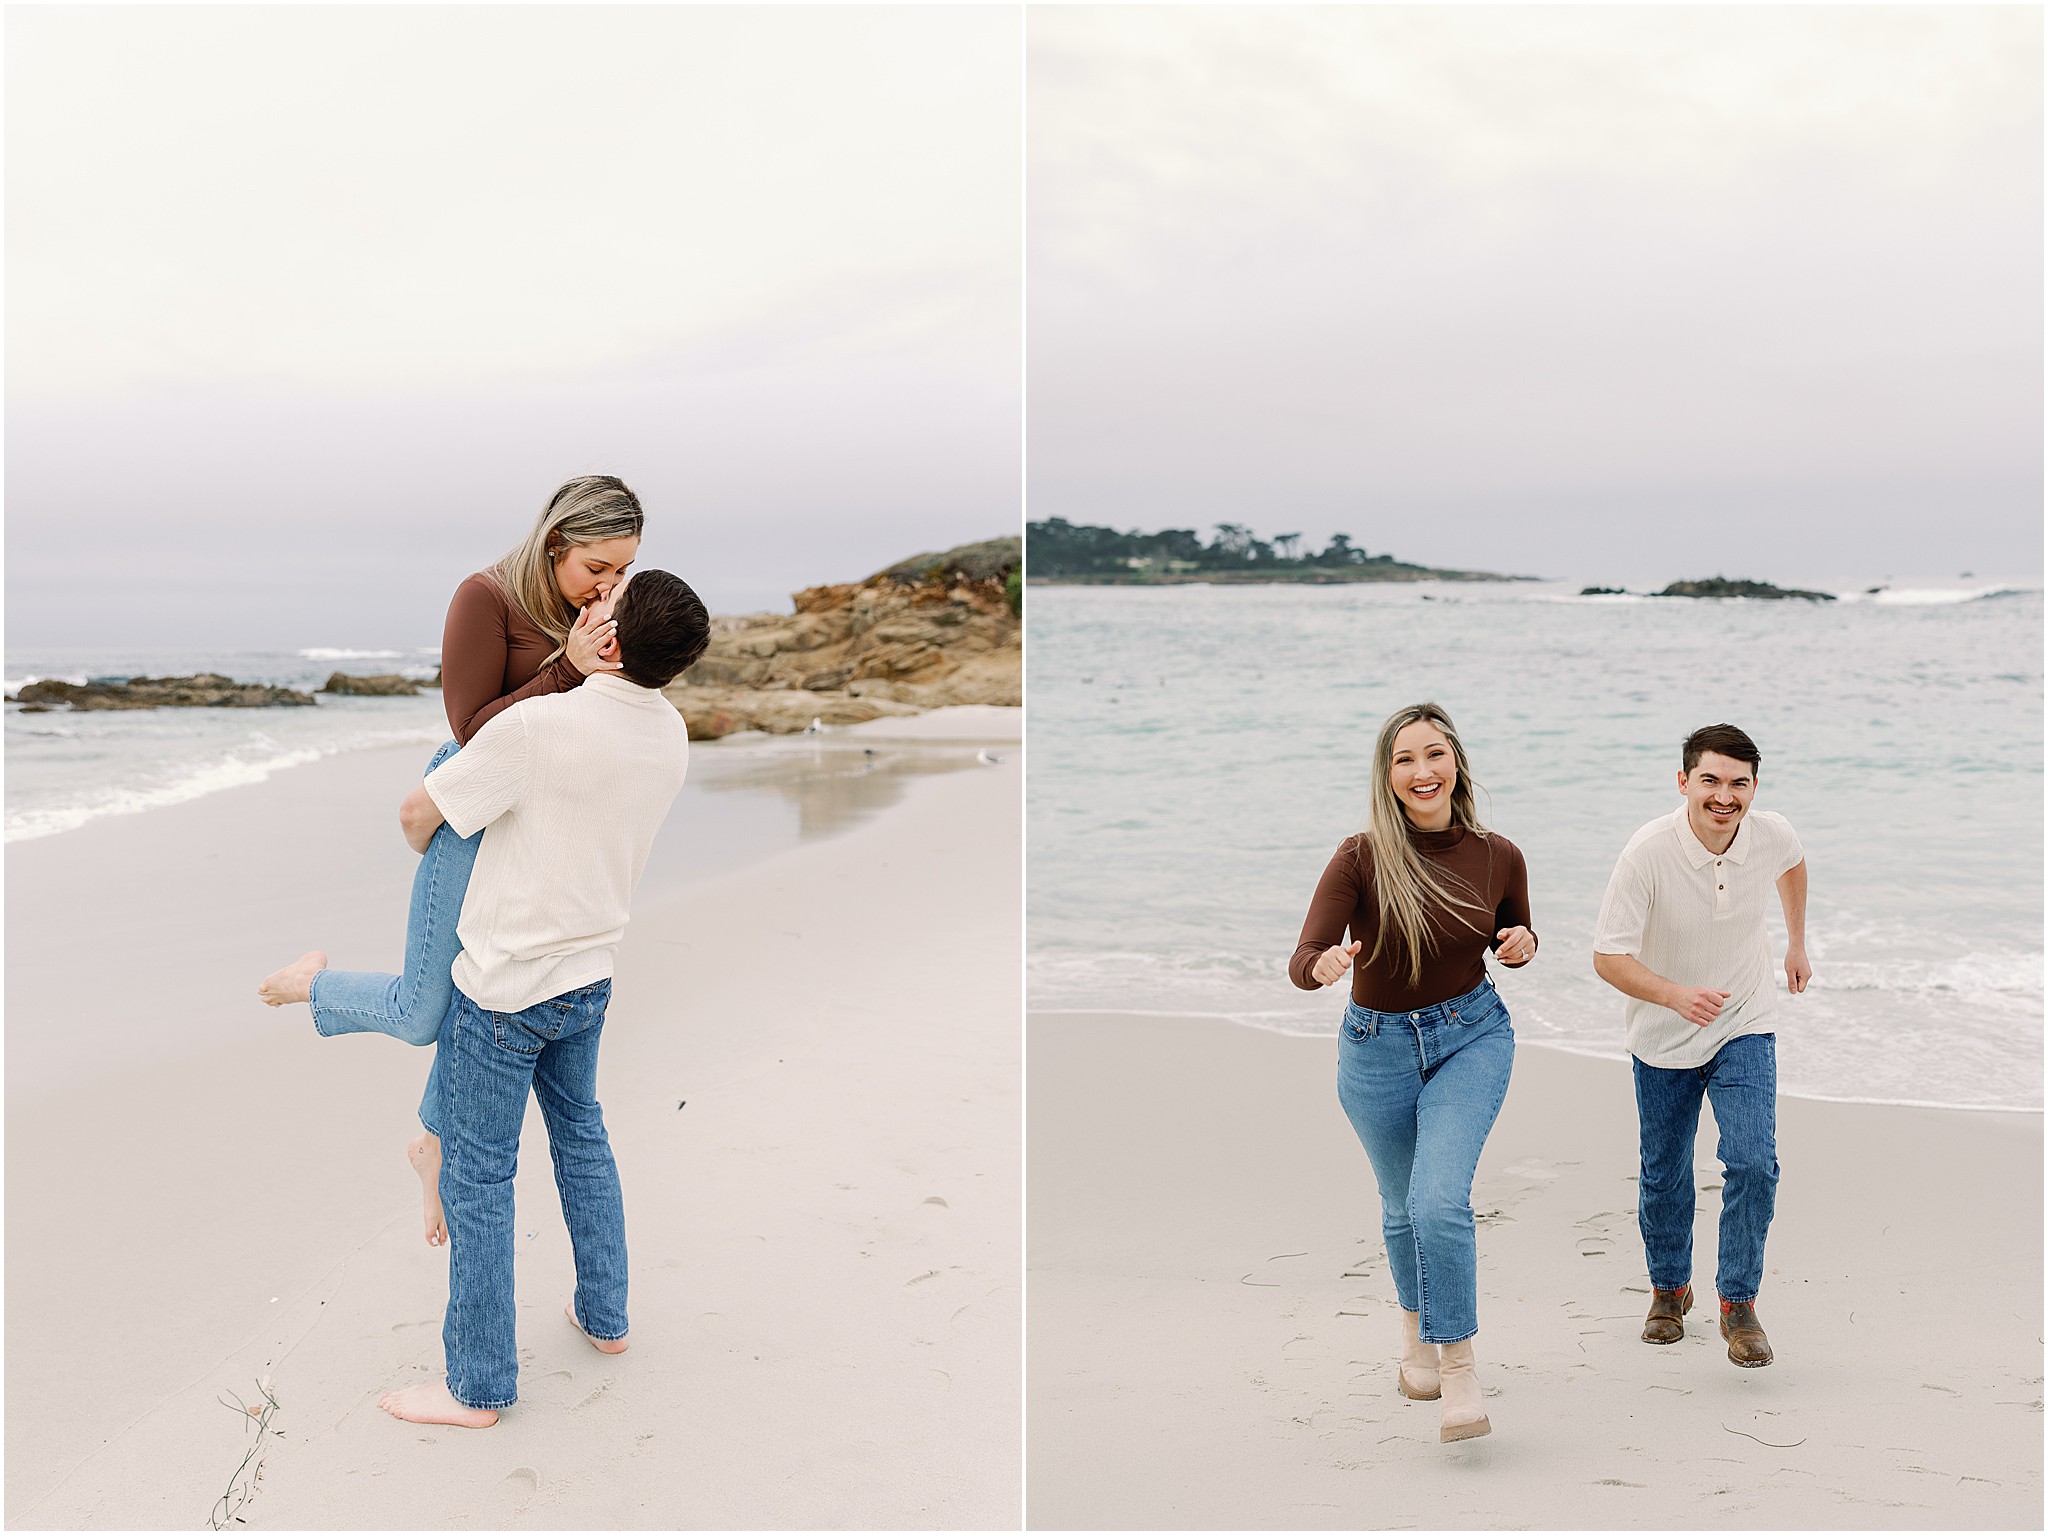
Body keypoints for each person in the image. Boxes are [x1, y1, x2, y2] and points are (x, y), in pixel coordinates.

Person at [257, 476, 643, 1247]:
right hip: (471, 806)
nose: (609, 586)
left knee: (482, 994)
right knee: (425, 1009)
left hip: (538, 823)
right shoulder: (486, 598)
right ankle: (314, 983)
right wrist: (566, 667)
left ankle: (429, 1144)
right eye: (598, 567)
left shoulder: (589, 613)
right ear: (556, 541)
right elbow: (471, 732)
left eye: (623, 571)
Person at [373, 569, 710, 1427]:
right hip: (590, 975)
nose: (592, 603)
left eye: (606, 602)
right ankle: (606, 1317)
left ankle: (476, 1386)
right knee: (582, 1136)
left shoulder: (537, 727)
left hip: (506, 985)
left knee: (482, 1178)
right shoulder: (670, 735)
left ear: (614, 636)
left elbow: (420, 817)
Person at [1289, 702, 1536, 1444]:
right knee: (1400, 1208)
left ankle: (1458, 1365)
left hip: (1472, 1036)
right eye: (1405, 759)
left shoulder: (1499, 853)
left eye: (1434, 754)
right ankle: (1414, 1339)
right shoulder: (1360, 857)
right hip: (1376, 1049)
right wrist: (1324, 965)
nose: (1421, 771)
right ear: (1387, 774)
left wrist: (1523, 943)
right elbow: (1303, 957)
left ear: (1455, 760)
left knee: (1437, 1200)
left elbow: (1515, 933)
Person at [1591, 723, 1810, 1369]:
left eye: (1738, 782)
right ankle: (1668, 1289)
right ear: (1684, 781)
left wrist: (1796, 941)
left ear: (1754, 787)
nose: (1724, 795)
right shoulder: (1648, 852)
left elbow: (1793, 863)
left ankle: (1738, 1303)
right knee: (1666, 1172)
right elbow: (1607, 955)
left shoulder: (1771, 831)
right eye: (1710, 779)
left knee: (1752, 1162)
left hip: (1744, 1018)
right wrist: (1672, 994)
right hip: (1662, 1032)